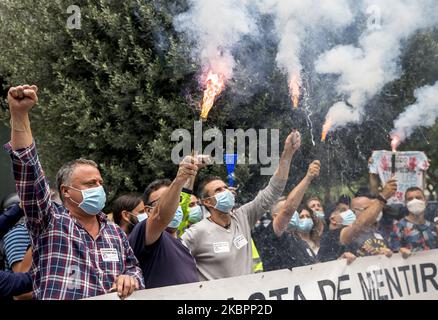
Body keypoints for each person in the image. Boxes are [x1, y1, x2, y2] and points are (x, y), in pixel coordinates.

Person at [4, 85, 143, 299]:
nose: (98, 188)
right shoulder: (49, 222)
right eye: (89, 183)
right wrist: (20, 115)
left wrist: (130, 278)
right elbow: (30, 175)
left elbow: (134, 269)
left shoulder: (114, 233)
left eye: (99, 182)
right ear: (66, 192)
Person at [181, 131, 301, 281]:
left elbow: (274, 190)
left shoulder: (242, 217)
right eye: (218, 190)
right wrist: (187, 177)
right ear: (207, 202)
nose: (225, 192)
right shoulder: (197, 232)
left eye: (225, 188)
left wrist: (288, 153)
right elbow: (173, 253)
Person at [128, 158, 202, 289]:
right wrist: (180, 179)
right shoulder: (143, 232)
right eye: (163, 200)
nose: (173, 206)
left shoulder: (181, 244)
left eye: (176, 199)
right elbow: (160, 217)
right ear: (148, 211)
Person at [254, 161, 320, 271]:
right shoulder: (271, 237)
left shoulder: (299, 241)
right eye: (290, 210)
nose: (294, 213)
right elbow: (287, 210)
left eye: (295, 211)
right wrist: (308, 178)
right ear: (275, 217)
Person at [340, 181, 397, 258]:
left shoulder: (380, 230)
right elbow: (361, 223)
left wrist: (389, 254)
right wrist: (383, 197)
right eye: (368, 209)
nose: (375, 211)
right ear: (353, 212)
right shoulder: (346, 231)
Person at [390, 187, 438, 258]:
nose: (414, 201)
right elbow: (393, 253)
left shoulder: (434, 227)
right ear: (405, 203)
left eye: (418, 198)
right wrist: (400, 251)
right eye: (410, 199)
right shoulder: (398, 227)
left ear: (425, 201)